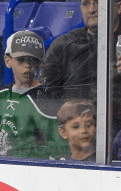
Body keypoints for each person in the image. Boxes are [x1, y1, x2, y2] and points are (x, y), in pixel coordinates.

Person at [42, 0, 121, 147]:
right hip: (75, 133)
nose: (92, 9)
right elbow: (47, 96)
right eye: (86, 4)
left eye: (98, 3)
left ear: (118, 7)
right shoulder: (63, 45)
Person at [0, 30, 69, 159]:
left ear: (39, 63)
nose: (27, 66)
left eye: (33, 60)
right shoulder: (3, 94)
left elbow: (59, 149)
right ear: (8, 60)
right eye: (21, 60)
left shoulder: (46, 99)